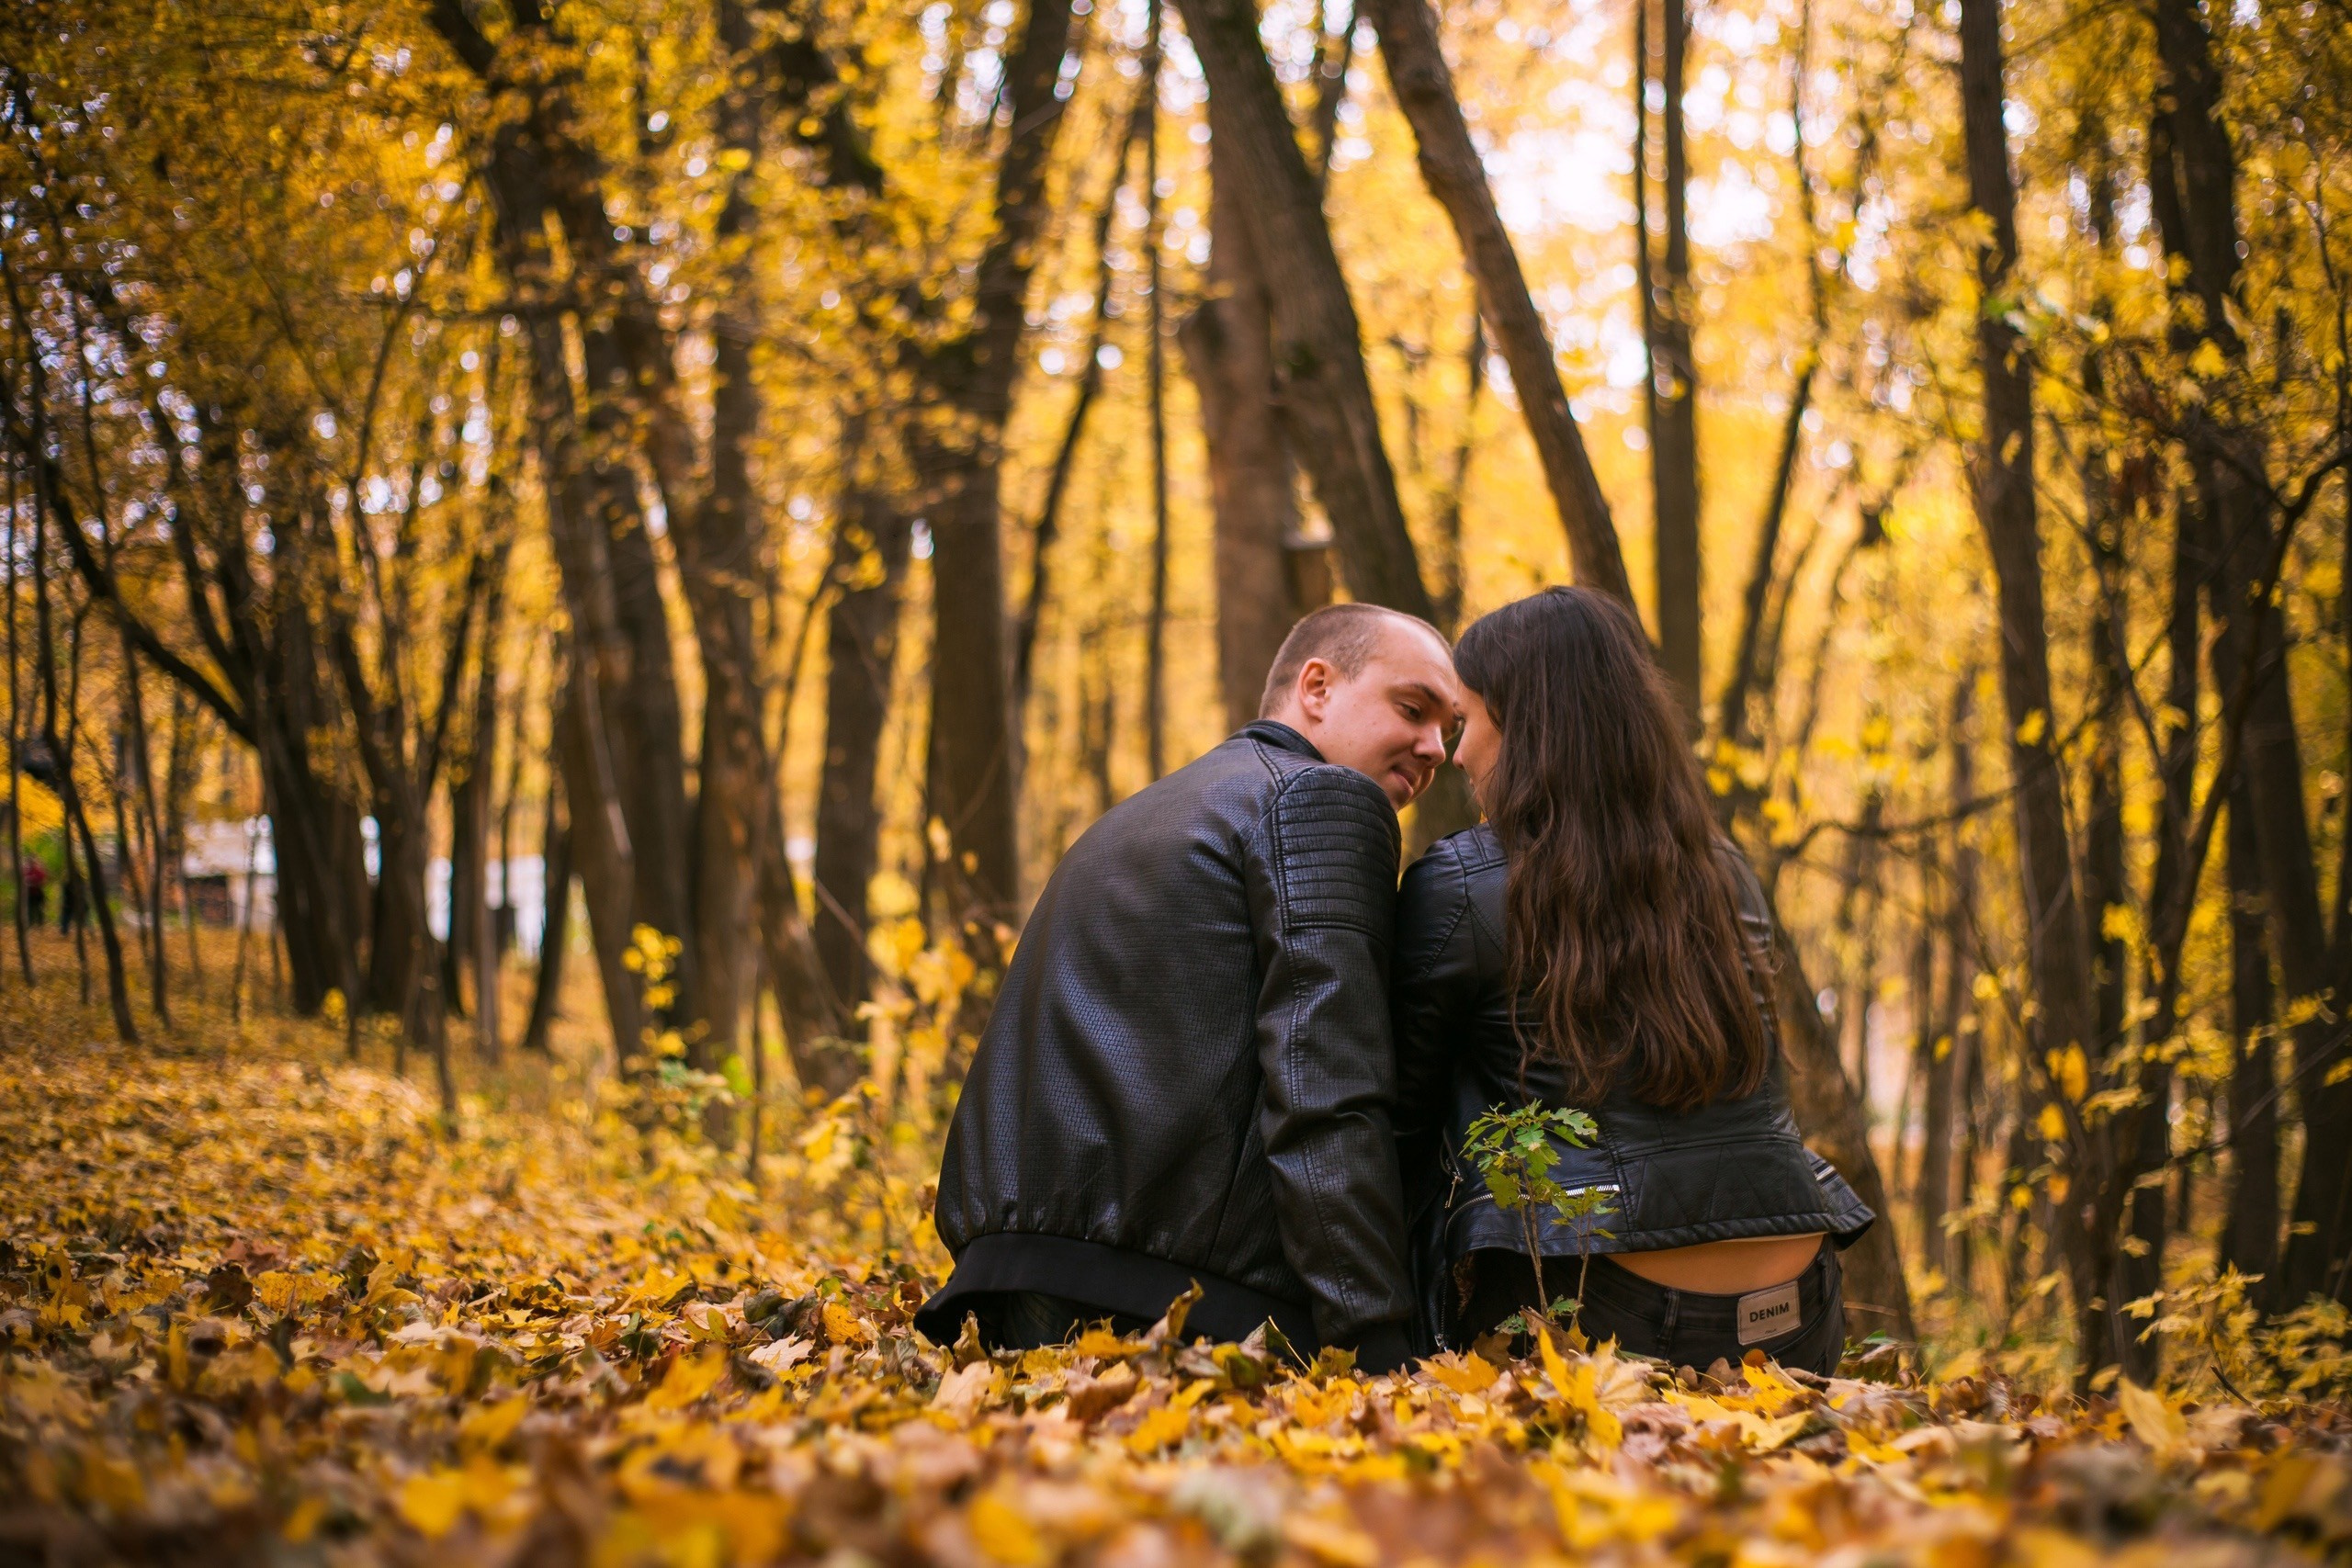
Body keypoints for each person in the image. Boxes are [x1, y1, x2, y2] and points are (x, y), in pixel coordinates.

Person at [916, 604, 1464, 1371]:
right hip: (1182, 1306)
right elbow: (1327, 1088)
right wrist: (1375, 1343)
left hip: (1007, 1285)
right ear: (1316, 687)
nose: (1435, 746)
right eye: (1413, 708)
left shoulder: (1141, 813)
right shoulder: (1325, 799)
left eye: (1452, 730)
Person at [1392, 586, 1872, 1374]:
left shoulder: (1462, 884)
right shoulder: (1727, 871)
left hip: (1614, 1314)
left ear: (1523, 724)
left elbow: (1402, 1123)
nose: (1458, 750)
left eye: (1468, 719)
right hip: (1802, 1303)